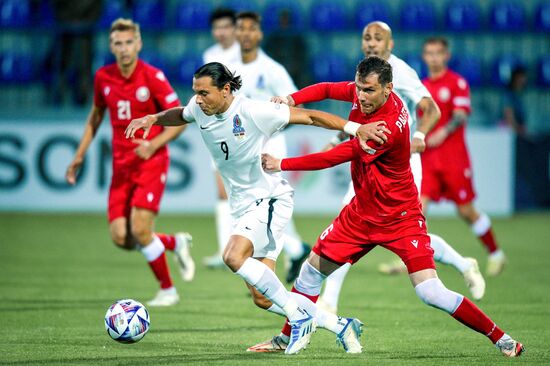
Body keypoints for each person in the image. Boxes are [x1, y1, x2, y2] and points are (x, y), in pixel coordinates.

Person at [259, 56, 524, 357]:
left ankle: (500, 337)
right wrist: (292, 98)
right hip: (360, 215)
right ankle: (284, 338)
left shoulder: (385, 127)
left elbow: (337, 155)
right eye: (359, 88)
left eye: (369, 90)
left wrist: (282, 163)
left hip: (400, 217)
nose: (361, 95)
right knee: (309, 274)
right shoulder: (366, 95)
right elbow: (328, 89)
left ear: (388, 89)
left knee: (430, 292)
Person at [125, 62, 390, 354]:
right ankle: (339, 325)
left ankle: (298, 315)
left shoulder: (254, 111)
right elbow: (182, 114)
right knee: (263, 298)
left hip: (269, 199)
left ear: (226, 90)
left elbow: (312, 116)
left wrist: (356, 128)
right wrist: (153, 118)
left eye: (204, 93)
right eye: (195, 92)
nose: (198, 99)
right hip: (244, 205)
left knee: (232, 256)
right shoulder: (199, 107)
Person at [259, 21, 485, 320]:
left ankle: (329, 303)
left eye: (378, 38)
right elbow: (343, 101)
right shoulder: (366, 79)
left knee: (371, 223)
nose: (371, 42)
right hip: (369, 155)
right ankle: (461, 264)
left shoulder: (399, 73)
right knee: (386, 227)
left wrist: (419, 136)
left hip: (394, 158)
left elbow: (429, 108)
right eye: (367, 37)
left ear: (390, 44)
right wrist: (307, 110)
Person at [65, 18, 195, 307]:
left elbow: (182, 120)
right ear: (111, 46)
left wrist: (153, 144)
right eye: (118, 43)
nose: (123, 49)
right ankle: (174, 243)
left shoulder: (152, 77)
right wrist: (79, 154)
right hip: (121, 166)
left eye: (128, 42)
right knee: (122, 238)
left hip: (152, 161)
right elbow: (96, 116)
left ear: (139, 43)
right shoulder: (103, 77)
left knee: (139, 230)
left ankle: (168, 290)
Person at [420, 37, 506, 276]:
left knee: (465, 210)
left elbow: (460, 115)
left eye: (438, 53)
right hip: (428, 159)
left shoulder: (457, 82)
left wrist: (442, 132)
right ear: (424, 56)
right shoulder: (421, 87)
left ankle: (496, 253)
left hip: (453, 158)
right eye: (429, 53)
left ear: (446, 55)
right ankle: (413, 258)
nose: (434, 57)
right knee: (418, 207)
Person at [201, 7, 240, 268]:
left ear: (235, 28)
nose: (221, 32)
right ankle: (225, 248)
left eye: (226, 27)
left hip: (241, 128)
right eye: (217, 27)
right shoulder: (210, 55)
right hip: (218, 128)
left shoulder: (244, 54)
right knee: (222, 191)